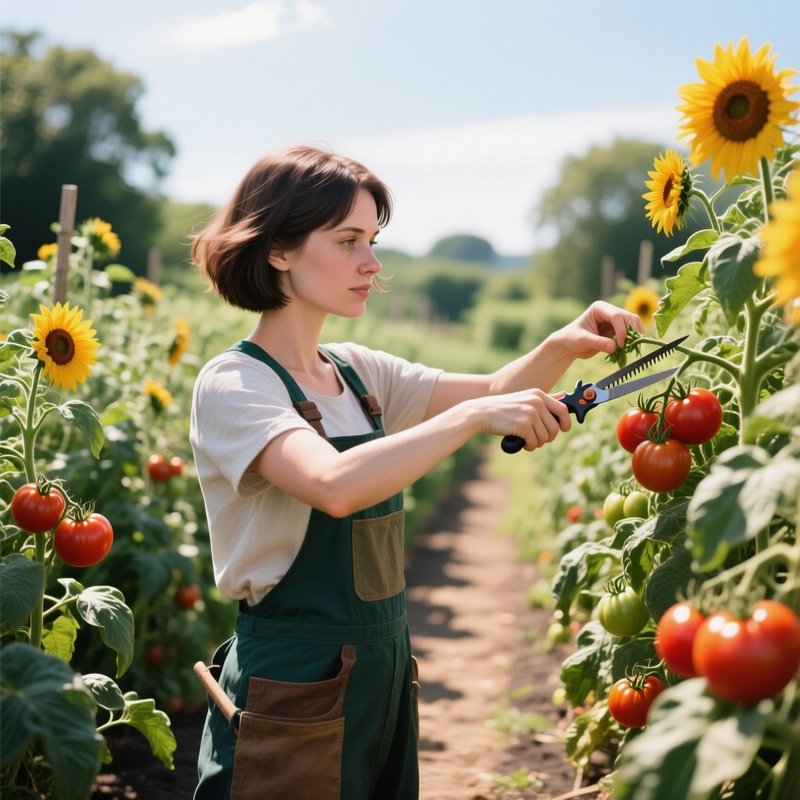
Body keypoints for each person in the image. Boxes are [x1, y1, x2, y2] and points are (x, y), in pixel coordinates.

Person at [188, 144, 643, 800]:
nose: (372, 263)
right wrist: (473, 421)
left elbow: (490, 387)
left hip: (381, 666)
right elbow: (333, 485)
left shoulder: (354, 372)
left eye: (372, 239)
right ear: (278, 250)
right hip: (293, 675)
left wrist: (559, 346)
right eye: (347, 241)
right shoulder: (237, 383)